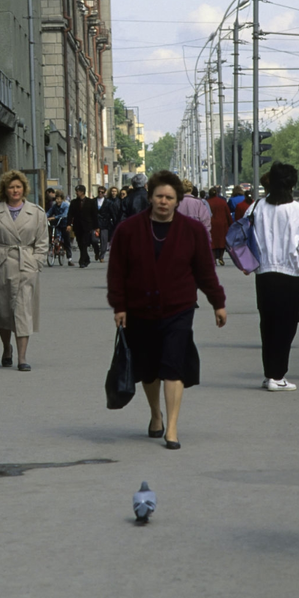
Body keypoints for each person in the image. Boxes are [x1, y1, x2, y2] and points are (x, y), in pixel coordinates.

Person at [108, 170, 227, 449]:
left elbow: (205, 271)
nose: (163, 201)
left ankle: (172, 428)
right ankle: (155, 415)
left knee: (173, 365)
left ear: (178, 201)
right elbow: (117, 273)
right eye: (159, 196)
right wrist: (119, 306)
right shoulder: (128, 230)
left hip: (179, 308)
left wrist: (217, 303)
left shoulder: (193, 230)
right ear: (150, 197)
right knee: (149, 369)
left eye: (169, 197)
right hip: (140, 309)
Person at [251, 162, 299, 391]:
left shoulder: (256, 208)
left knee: (268, 323)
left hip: (263, 273)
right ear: (292, 184)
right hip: (289, 273)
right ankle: (277, 375)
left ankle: (269, 373)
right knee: (286, 325)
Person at [0, 171, 49, 371]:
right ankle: (6, 348)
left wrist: (36, 263)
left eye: (18, 187)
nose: (15, 190)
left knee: (22, 311)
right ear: (4, 190)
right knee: (2, 311)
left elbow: (42, 242)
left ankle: (22, 357)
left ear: (24, 189)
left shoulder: (36, 212)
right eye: (11, 187)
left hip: (25, 265)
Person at [67, 184, 100, 268]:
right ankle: (87, 258)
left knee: (85, 243)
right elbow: (70, 214)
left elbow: (94, 215)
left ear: (82, 192)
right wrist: (69, 224)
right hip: (77, 226)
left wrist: (96, 227)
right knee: (80, 243)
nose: (76, 193)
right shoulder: (74, 202)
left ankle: (82, 261)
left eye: (78, 191)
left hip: (87, 226)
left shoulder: (91, 202)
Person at [176, 179, 213, 246]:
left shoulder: (176, 203)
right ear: (191, 189)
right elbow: (206, 222)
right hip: (196, 240)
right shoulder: (199, 203)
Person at [206, 186, 231, 265]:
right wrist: (231, 223)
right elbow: (228, 213)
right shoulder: (222, 202)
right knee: (221, 241)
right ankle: (220, 257)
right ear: (217, 193)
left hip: (211, 224)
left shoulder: (207, 202)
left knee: (212, 242)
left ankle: (213, 259)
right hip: (222, 224)